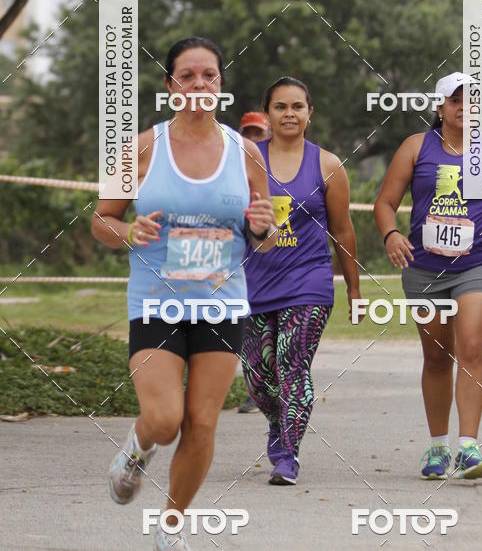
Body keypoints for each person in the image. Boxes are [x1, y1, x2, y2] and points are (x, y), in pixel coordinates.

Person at [91, 37, 277, 549]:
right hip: (156, 301)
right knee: (165, 419)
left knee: (201, 423)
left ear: (221, 84)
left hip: (221, 303)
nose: (199, 84)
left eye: (209, 76)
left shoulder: (248, 153)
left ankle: (171, 528)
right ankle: (137, 447)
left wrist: (263, 228)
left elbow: (266, 239)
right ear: (170, 86)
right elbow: (100, 219)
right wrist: (127, 231)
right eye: (188, 76)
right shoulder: (139, 148)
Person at [374, 72, 482, 481]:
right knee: (436, 356)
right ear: (440, 107)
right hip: (425, 268)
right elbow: (385, 203)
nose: (464, 107)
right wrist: (391, 234)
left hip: (479, 262)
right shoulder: (415, 148)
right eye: (455, 100)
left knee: (472, 344)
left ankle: (469, 447)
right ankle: (438, 447)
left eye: (472, 101)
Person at [241, 76, 362, 485]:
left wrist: (355, 290)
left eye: (297, 106)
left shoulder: (328, 165)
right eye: (280, 107)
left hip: (309, 282)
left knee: (293, 365)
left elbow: (343, 232)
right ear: (268, 114)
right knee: (258, 378)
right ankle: (279, 422)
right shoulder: (245, 160)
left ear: (310, 113)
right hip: (255, 282)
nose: (289, 114)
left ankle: (288, 454)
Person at [237, 112, 272, 414]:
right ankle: (254, 391)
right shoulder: (236, 168)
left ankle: (282, 389)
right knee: (248, 330)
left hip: (282, 263)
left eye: (259, 134)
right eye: (249, 134)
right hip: (247, 266)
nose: (254, 140)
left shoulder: (281, 169)